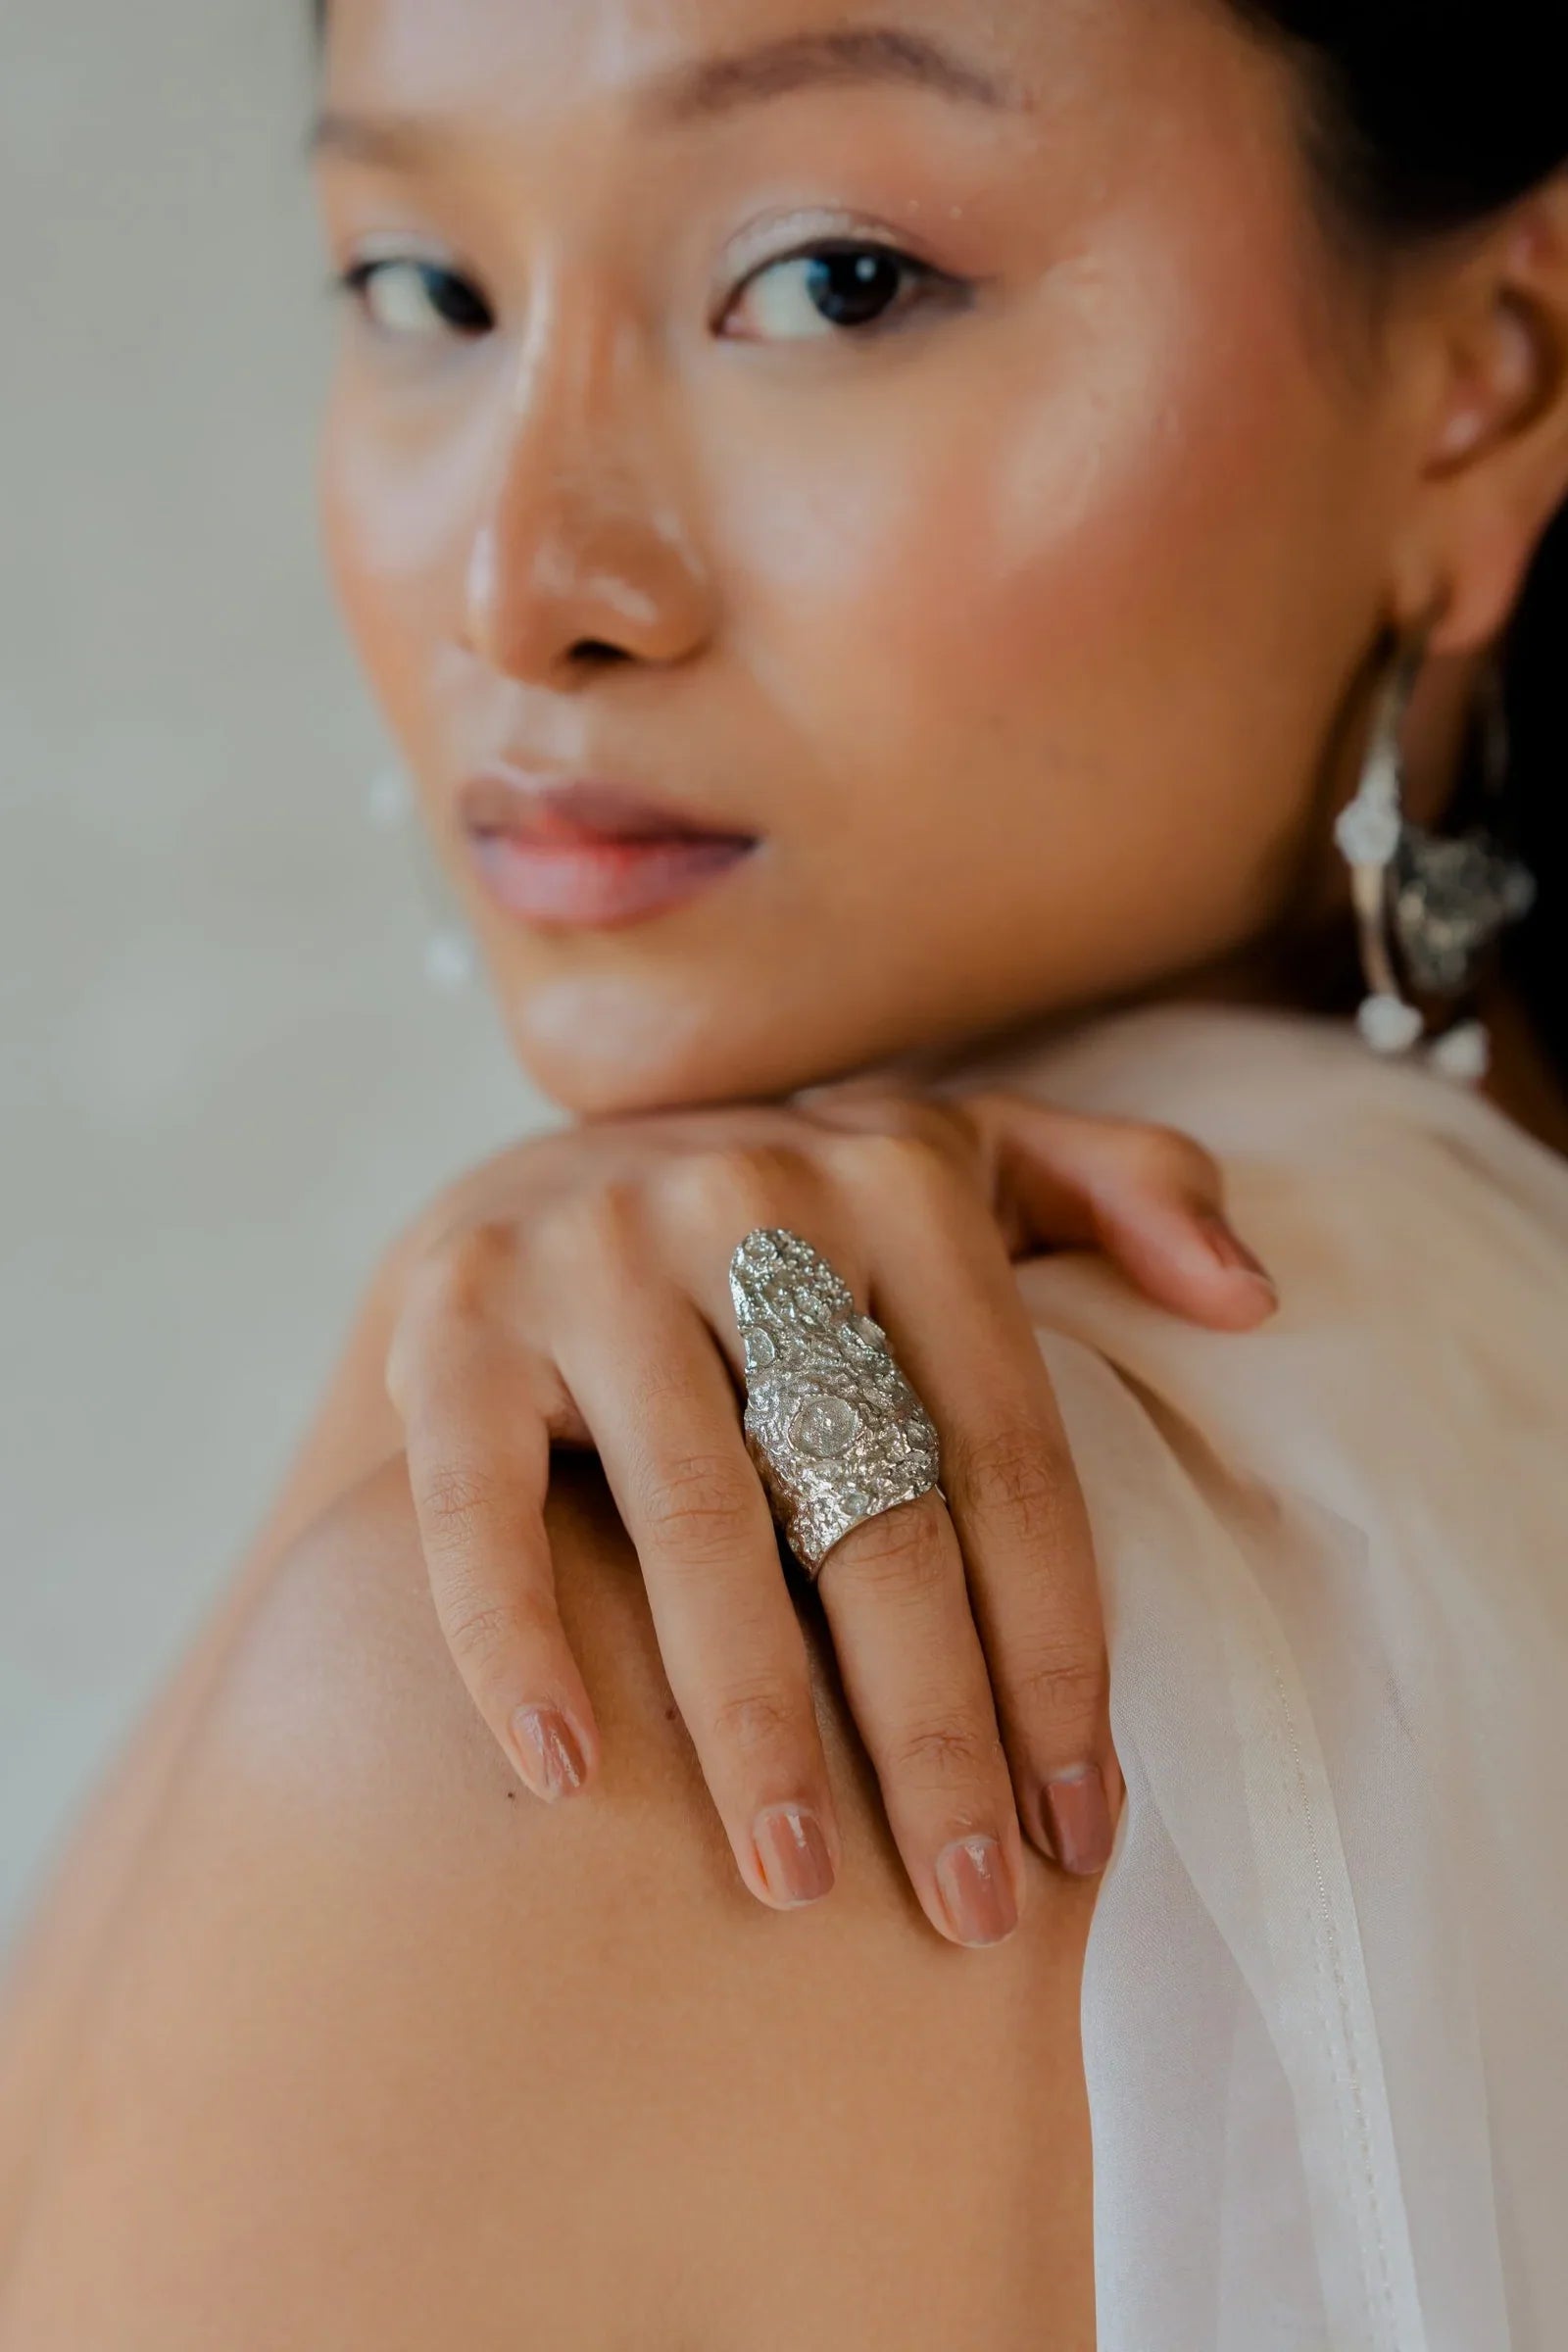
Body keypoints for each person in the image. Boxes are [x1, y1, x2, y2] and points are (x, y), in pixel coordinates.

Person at [2, 0, 1566, 2342]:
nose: (524, 582)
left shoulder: (545, 1698)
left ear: (1483, 379)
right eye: (424, 288)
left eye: (833, 282)